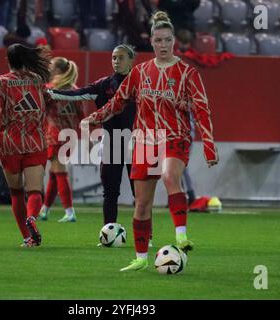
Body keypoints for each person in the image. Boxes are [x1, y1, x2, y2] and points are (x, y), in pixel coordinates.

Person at [81, 11, 218, 271]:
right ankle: (141, 259)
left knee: (169, 176)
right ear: (152, 42)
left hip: (175, 136)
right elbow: (118, 101)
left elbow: (202, 109)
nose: (163, 45)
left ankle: (181, 235)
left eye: (167, 40)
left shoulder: (188, 73)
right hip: (145, 140)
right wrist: (94, 118)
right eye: (158, 40)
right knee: (141, 204)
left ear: (174, 41)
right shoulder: (140, 72)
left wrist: (209, 146)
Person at [47, 45, 137, 227]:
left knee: (140, 193)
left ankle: (146, 237)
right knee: (110, 192)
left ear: (131, 60)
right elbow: (77, 94)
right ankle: (108, 231)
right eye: (114, 58)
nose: (116, 61)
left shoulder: (142, 83)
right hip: (111, 142)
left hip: (137, 141)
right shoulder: (104, 85)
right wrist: (50, 92)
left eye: (120, 58)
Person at [0, 44, 53, 247]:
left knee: (17, 192)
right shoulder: (36, 79)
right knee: (35, 191)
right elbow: (48, 101)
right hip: (36, 141)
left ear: (8, 60)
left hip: (11, 143)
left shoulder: (0, 82)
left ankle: (27, 238)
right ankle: (32, 218)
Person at [38, 57, 86, 222]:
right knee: (54, 173)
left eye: (50, 65)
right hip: (70, 136)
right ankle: (44, 210)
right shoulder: (75, 90)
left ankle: (70, 211)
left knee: (60, 171)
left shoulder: (50, 89)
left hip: (54, 135)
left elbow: (38, 108)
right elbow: (82, 115)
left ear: (57, 70)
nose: (48, 67)